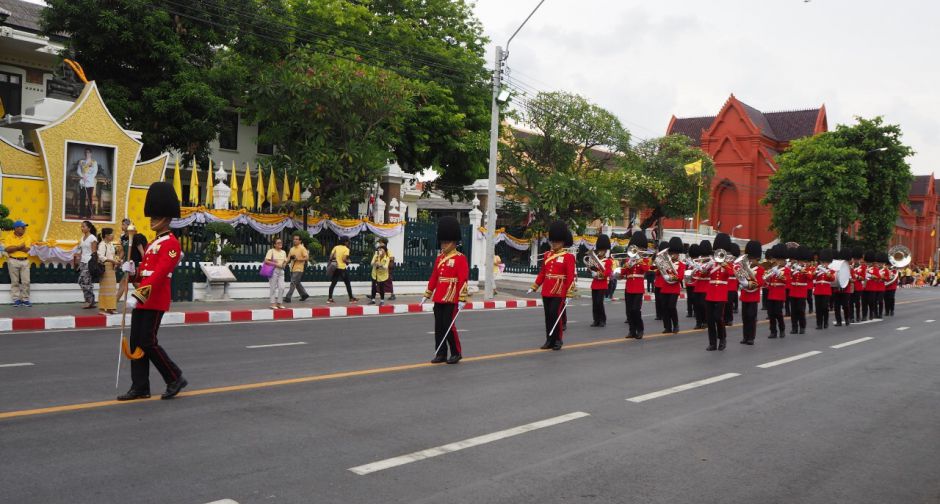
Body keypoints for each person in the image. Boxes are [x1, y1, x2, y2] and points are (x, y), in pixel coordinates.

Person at [117, 181, 187, 401]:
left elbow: (159, 275)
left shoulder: (172, 244)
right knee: (137, 342)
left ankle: (174, 377)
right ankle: (140, 386)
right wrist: (132, 272)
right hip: (143, 298)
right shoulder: (152, 243)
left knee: (148, 341)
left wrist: (139, 294)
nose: (151, 220)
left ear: (165, 218)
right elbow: (145, 274)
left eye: (155, 216)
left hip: (155, 298)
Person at [424, 216, 469, 364]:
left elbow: (463, 280)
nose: (443, 245)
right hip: (439, 296)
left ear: (453, 242)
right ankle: (441, 353)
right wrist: (428, 293)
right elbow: (434, 276)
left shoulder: (460, 258)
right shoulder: (439, 258)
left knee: (449, 325)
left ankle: (456, 352)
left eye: (446, 242)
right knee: (439, 326)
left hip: (452, 296)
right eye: (442, 242)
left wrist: (462, 298)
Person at [530, 221, 576, 350]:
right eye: (553, 241)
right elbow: (543, 273)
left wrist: (569, 291)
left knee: (555, 315)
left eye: (557, 241)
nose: (554, 243)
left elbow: (570, 275)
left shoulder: (568, 257)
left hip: (559, 290)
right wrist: (535, 285)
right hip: (547, 290)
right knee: (548, 316)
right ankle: (549, 340)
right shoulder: (547, 255)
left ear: (563, 242)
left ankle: (558, 340)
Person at [704, 233, 734, 351]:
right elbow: (702, 274)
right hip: (710, 292)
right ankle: (712, 343)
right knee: (710, 319)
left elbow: (732, 273)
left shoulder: (729, 262)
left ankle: (722, 338)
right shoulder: (712, 262)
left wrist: (723, 263)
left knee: (718, 317)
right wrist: (706, 267)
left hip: (721, 293)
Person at [622, 230, 651, 339]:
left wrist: (639, 260)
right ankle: (632, 330)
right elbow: (622, 273)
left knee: (636, 310)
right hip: (629, 287)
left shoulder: (644, 259)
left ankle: (640, 329)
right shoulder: (628, 259)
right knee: (629, 311)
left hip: (638, 288)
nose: (638, 250)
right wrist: (628, 264)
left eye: (639, 248)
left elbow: (646, 269)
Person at [738, 240, 764, 345]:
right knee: (745, 317)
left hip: (753, 295)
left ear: (757, 258)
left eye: (752, 259)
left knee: (751, 317)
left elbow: (760, 282)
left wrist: (749, 282)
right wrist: (741, 281)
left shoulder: (760, 269)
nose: (750, 260)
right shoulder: (743, 268)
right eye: (749, 258)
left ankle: (751, 338)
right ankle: (745, 337)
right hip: (745, 295)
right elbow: (739, 278)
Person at [659, 237, 685, 334]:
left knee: (671, 307)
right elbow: (657, 271)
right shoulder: (665, 263)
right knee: (665, 308)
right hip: (665, 287)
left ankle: (676, 325)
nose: (673, 255)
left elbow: (680, 277)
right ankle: (667, 327)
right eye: (672, 253)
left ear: (678, 254)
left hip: (674, 289)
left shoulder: (682, 265)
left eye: (675, 253)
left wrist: (671, 276)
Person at [4, 220, 33, 307]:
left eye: (25, 227)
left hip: (25, 261)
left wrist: (14, 248)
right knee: (15, 281)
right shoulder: (9, 237)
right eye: (22, 227)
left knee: (26, 281)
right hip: (13, 260)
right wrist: (19, 247)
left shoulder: (27, 237)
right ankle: (16, 299)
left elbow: (27, 249)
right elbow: (7, 249)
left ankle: (25, 299)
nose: (24, 229)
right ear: (16, 228)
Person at [117, 223, 147, 301]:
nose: (122, 226)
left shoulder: (135, 237)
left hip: (134, 264)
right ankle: (145, 298)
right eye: (122, 224)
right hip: (127, 264)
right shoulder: (123, 238)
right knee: (136, 284)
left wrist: (144, 263)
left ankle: (113, 304)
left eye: (124, 224)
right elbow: (123, 251)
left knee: (123, 283)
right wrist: (119, 259)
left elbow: (141, 251)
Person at [589, 234, 613, 328]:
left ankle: (602, 320)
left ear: (605, 251)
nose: (600, 252)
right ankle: (596, 320)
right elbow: (591, 269)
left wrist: (598, 274)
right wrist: (591, 269)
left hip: (602, 284)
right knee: (595, 303)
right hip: (595, 284)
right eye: (599, 250)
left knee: (599, 302)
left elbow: (607, 273)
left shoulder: (608, 261)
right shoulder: (595, 260)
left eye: (602, 250)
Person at [764, 245, 789, 338]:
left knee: (778, 313)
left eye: (780, 260)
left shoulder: (786, 270)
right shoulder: (772, 270)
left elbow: (787, 281)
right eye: (777, 260)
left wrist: (778, 273)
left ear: (783, 261)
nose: (778, 262)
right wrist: (767, 278)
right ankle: (773, 331)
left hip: (779, 293)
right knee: (771, 314)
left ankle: (782, 329)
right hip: (771, 293)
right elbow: (766, 282)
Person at [73, 220, 98, 309]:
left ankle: (89, 301)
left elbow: (94, 252)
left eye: (84, 226)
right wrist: (76, 259)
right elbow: (80, 250)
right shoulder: (82, 238)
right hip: (83, 262)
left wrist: (94, 264)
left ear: (89, 228)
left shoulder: (92, 238)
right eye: (81, 226)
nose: (82, 228)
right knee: (81, 281)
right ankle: (90, 300)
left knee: (86, 281)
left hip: (89, 262)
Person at [327, 236, 357, 304]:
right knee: (347, 283)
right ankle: (351, 298)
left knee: (333, 283)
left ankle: (330, 298)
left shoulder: (336, 247)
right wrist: (348, 261)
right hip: (342, 268)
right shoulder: (346, 249)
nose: (348, 243)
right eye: (347, 241)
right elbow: (344, 259)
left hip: (335, 267)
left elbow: (331, 257)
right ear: (345, 242)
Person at [97, 228, 119, 314]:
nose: (113, 236)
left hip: (111, 268)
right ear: (106, 235)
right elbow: (101, 257)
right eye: (111, 234)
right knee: (104, 289)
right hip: (105, 268)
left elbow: (112, 255)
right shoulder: (102, 245)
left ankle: (110, 307)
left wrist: (116, 261)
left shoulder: (110, 244)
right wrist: (112, 261)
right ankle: (102, 308)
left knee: (111, 289)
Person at [813, 249, 835, 330]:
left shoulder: (831, 270)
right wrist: (815, 272)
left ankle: (825, 322)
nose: (824, 263)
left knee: (825, 307)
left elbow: (833, 279)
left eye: (826, 262)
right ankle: (819, 323)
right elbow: (811, 277)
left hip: (826, 291)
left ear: (829, 262)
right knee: (818, 308)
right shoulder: (817, 269)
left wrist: (827, 273)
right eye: (823, 262)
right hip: (818, 290)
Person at [284, 234, 309, 303]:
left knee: (293, 282)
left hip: (299, 268)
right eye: (294, 239)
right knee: (297, 283)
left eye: (296, 239)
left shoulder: (302, 248)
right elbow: (288, 258)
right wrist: (283, 264)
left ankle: (288, 297)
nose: (294, 240)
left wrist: (298, 259)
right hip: (292, 268)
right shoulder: (292, 249)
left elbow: (306, 257)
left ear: (300, 241)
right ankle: (304, 295)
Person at [264, 237, 288, 309]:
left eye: (281, 242)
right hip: (273, 270)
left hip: (281, 271)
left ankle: (279, 303)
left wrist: (284, 265)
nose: (280, 244)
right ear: (274, 244)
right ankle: (272, 303)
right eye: (278, 243)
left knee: (282, 287)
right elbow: (266, 261)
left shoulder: (283, 252)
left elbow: (285, 261)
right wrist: (276, 264)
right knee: (273, 287)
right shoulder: (271, 251)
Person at [76, 147, 98, 218]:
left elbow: (95, 172)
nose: (87, 154)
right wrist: (82, 176)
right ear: (84, 153)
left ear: (91, 153)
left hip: (90, 182)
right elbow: (78, 171)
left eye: (88, 152)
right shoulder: (81, 162)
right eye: (86, 152)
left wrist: (87, 178)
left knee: (89, 199)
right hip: (83, 182)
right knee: (82, 198)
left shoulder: (94, 162)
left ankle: (89, 214)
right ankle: (81, 214)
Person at [724, 242, 741, 326]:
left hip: (732, 286)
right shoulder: (726, 263)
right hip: (725, 285)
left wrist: (729, 265)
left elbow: (734, 274)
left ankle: (729, 319)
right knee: (724, 303)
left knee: (729, 304)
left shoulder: (736, 265)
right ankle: (724, 319)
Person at [652, 241, 669, 321]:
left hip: (665, 282)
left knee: (663, 300)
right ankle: (658, 314)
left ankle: (664, 314)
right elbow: (653, 268)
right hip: (658, 282)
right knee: (657, 300)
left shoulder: (668, 259)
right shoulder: (658, 258)